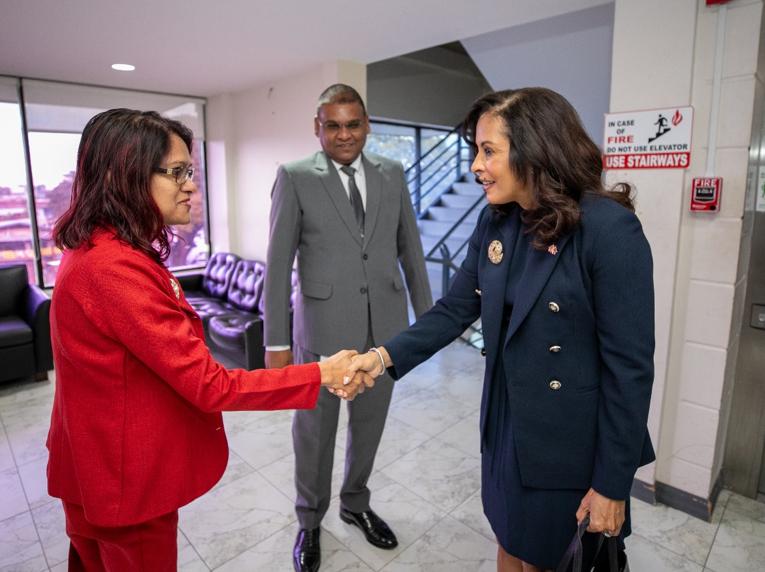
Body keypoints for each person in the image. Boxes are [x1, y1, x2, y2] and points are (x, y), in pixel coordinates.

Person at [46, 108, 370, 572]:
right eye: (177, 172)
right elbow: (211, 385)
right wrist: (321, 372)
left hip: (93, 464)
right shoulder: (114, 269)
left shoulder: (93, 248)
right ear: (126, 175)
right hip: (124, 483)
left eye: (190, 172)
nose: (191, 187)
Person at [346, 87, 655, 572]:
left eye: (488, 150)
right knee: (509, 540)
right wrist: (381, 358)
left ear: (535, 150)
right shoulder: (497, 221)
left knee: (551, 557)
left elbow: (630, 370)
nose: (476, 165)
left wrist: (612, 485)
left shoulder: (608, 230)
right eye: (476, 150)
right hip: (506, 421)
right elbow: (454, 308)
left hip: (568, 439)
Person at [263, 84, 433, 572]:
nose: (344, 135)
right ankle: (310, 520)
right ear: (317, 127)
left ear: (367, 124)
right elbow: (278, 265)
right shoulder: (295, 176)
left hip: (384, 332)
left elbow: (410, 250)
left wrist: (428, 326)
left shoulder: (391, 172)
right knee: (314, 434)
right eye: (332, 125)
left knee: (370, 426)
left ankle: (355, 503)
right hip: (321, 331)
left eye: (353, 124)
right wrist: (277, 342)